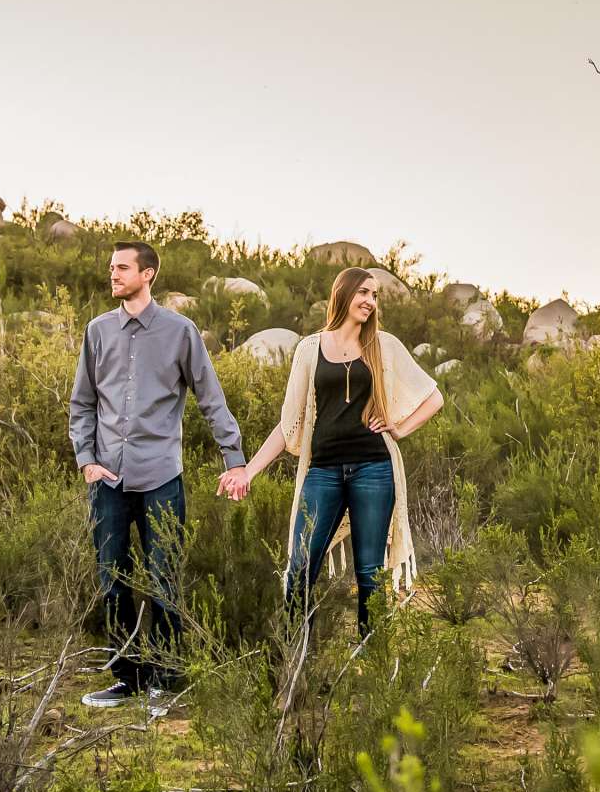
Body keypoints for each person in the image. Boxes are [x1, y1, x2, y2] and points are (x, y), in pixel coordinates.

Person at [219, 266, 443, 642]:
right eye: (364, 293)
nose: (371, 302)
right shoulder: (310, 349)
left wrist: (399, 428)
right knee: (300, 567)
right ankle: (296, 660)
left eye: (375, 296)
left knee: (370, 573)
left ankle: (372, 662)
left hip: (374, 469)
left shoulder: (383, 346)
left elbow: (433, 397)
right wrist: (248, 471)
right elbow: (289, 425)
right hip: (322, 471)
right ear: (344, 294)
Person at [69, 240, 245, 709]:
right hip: (107, 478)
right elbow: (82, 403)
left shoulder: (179, 332)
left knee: (164, 578)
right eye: (111, 267)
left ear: (148, 274)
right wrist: (86, 459)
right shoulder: (98, 331)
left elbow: (211, 398)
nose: (114, 275)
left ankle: (165, 682)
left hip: (161, 475)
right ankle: (125, 678)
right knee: (112, 579)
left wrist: (235, 459)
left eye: (123, 267)